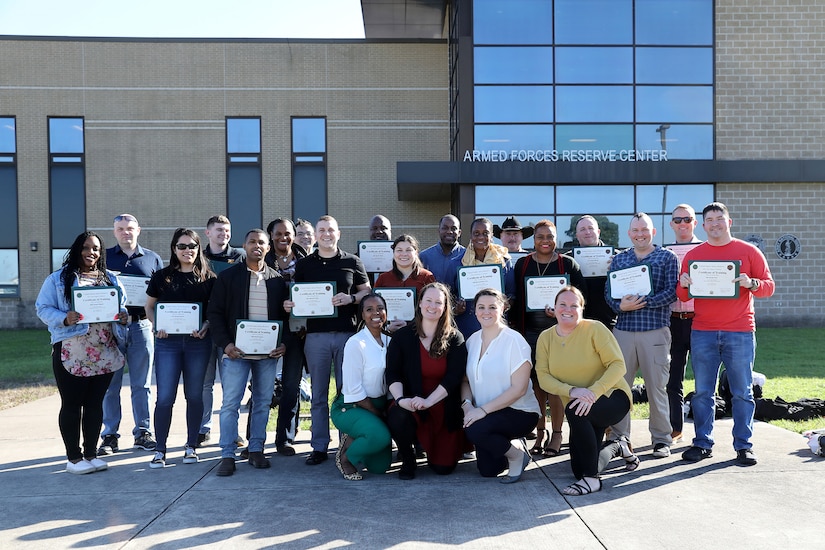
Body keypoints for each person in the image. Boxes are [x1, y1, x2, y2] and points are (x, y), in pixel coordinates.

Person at [678, 202, 775, 466]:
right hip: (704, 331)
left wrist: (751, 283)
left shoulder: (748, 251)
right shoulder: (694, 255)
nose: (715, 224)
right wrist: (684, 284)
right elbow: (683, 294)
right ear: (704, 225)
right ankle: (702, 443)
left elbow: (769, 287)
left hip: (740, 330)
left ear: (728, 222)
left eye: (719, 219)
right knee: (702, 392)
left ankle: (744, 446)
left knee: (743, 391)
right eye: (709, 220)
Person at [36, 231, 128, 474]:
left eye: (96, 248)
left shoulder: (110, 278)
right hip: (72, 350)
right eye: (86, 248)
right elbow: (42, 308)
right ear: (77, 250)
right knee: (72, 404)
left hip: (104, 350)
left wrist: (123, 316)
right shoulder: (58, 279)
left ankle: (91, 453)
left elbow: (121, 306)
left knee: (95, 404)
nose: (91, 253)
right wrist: (64, 318)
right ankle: (74, 458)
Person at [285, 215, 371, 466]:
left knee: (347, 394)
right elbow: (297, 294)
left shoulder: (352, 261)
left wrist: (351, 299)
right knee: (319, 395)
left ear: (338, 233)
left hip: (347, 335)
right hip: (316, 337)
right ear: (316, 235)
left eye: (330, 230)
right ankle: (319, 446)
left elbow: (366, 292)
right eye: (321, 230)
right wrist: (291, 304)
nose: (326, 234)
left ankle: (346, 444)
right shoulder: (305, 264)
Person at [535, 286, 634, 496]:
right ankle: (618, 445)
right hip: (580, 403)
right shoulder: (546, 338)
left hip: (612, 397)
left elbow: (618, 365)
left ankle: (592, 481)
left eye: (574, 305)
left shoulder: (595, 329)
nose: (567, 309)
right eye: (562, 304)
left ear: (582, 309)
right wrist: (573, 391)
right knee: (579, 468)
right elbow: (543, 377)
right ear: (554, 308)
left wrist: (592, 392)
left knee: (574, 409)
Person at [207, 229, 290, 476]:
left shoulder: (277, 280)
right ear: (244, 245)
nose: (257, 245)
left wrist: (283, 343)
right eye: (252, 241)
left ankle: (256, 450)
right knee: (230, 404)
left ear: (268, 247)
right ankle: (227, 454)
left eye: (261, 242)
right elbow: (215, 313)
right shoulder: (229, 277)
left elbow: (286, 317)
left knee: (263, 402)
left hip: (267, 355)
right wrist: (226, 344)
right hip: (236, 353)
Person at [605, 213, 678, 458]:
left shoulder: (667, 257)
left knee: (657, 387)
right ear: (629, 234)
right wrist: (620, 307)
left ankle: (661, 439)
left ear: (653, 232)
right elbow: (609, 294)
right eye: (635, 230)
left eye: (644, 229)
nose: (640, 234)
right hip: (623, 332)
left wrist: (643, 302)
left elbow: (671, 292)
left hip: (654, 331)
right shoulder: (620, 259)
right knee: (619, 387)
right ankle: (619, 438)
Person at [511, 220, 587, 457]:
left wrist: (561, 312)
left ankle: (556, 434)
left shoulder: (568, 264)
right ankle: (539, 432)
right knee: (535, 386)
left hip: (560, 335)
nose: (545, 241)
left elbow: (581, 300)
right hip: (530, 334)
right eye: (540, 236)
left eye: (550, 236)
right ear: (533, 239)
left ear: (556, 238)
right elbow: (517, 302)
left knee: (555, 386)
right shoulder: (523, 265)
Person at [144, 228, 216, 468]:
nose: (188, 251)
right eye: (182, 246)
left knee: (194, 396)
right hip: (167, 343)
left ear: (198, 248)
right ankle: (160, 449)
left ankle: (191, 446)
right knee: (164, 397)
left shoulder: (209, 278)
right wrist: (157, 326)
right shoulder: (161, 277)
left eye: (192, 246)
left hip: (198, 343)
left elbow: (214, 313)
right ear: (174, 249)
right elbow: (150, 307)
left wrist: (205, 325)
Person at [386, 282, 468, 479]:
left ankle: (431, 447)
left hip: (442, 405)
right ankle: (408, 458)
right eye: (428, 300)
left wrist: (429, 401)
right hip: (412, 403)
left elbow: (454, 377)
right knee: (397, 415)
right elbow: (392, 373)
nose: (433, 306)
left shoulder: (455, 338)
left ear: (445, 307)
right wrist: (400, 400)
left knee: (443, 469)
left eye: (438, 302)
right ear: (420, 303)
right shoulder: (403, 337)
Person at [461, 288, 540, 483]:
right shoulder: (472, 341)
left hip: (519, 412)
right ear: (475, 311)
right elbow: (465, 381)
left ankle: (516, 455)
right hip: (486, 414)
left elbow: (518, 389)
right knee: (488, 470)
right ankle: (511, 445)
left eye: (492, 307)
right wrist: (467, 406)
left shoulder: (514, 341)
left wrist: (482, 412)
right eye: (481, 307)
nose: (486, 312)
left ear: (503, 308)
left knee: (474, 429)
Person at [100, 214, 163, 455]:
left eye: (130, 228)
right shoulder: (104, 257)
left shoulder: (152, 258)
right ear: (114, 231)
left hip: (142, 326)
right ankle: (109, 436)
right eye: (121, 229)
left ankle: (143, 432)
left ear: (139, 230)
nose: (126, 232)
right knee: (110, 385)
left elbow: (160, 294)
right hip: (111, 329)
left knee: (142, 384)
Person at [330, 293, 393, 480]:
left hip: (379, 405)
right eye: (369, 309)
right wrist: (377, 413)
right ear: (362, 315)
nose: (376, 313)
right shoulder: (356, 343)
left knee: (379, 467)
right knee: (379, 436)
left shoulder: (390, 341)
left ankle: (356, 437)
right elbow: (354, 390)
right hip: (351, 406)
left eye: (380, 308)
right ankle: (345, 458)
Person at [199, 215, 245, 447]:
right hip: (203, 331)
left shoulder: (240, 258)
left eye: (226, 230)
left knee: (231, 385)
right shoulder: (199, 257)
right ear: (208, 233)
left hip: (230, 332)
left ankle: (232, 431)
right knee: (205, 383)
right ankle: (203, 428)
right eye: (218, 230)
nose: (223, 234)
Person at [263, 217, 307, 456]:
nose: (283, 237)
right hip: (267, 331)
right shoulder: (262, 261)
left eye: (287, 233)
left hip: (298, 332)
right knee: (262, 387)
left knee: (291, 386)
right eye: (278, 233)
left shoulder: (306, 262)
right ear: (271, 236)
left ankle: (285, 438)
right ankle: (255, 440)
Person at [667, 204, 702, 443]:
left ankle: (703, 433)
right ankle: (675, 429)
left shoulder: (705, 250)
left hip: (700, 321)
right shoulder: (665, 252)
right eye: (677, 220)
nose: (682, 224)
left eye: (687, 219)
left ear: (695, 222)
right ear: (671, 224)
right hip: (672, 322)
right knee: (672, 380)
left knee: (703, 381)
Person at [454, 217, 515, 339]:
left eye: (485, 233)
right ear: (471, 236)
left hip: (495, 323)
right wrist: (457, 307)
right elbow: (452, 293)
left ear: (491, 235)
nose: (481, 237)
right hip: (468, 325)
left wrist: (507, 303)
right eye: (476, 233)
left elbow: (511, 293)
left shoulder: (503, 262)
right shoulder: (459, 262)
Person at [375, 234, 436, 332]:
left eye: (408, 250)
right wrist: (386, 327)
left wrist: (410, 324)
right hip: (389, 332)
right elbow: (375, 308)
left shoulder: (427, 277)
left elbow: (432, 307)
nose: (404, 254)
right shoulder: (383, 278)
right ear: (393, 253)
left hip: (419, 332)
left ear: (416, 253)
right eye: (399, 250)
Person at [575, 215, 617, 329]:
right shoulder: (568, 260)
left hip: (609, 323)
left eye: (591, 228)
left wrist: (617, 269)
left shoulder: (616, 257)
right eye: (582, 229)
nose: (587, 232)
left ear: (598, 231)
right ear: (577, 235)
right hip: (577, 325)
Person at [419, 214, 465, 288]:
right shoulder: (424, 257)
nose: (449, 231)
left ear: (459, 233)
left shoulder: (467, 256)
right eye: (445, 228)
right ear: (439, 230)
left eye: (453, 228)